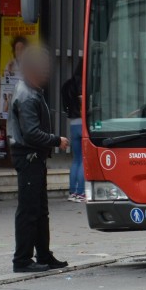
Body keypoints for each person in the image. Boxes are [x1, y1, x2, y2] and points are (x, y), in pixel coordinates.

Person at [8, 45, 69, 272]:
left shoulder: (32, 91)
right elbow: (31, 132)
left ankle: (43, 254)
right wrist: (56, 140)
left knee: (40, 210)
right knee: (29, 210)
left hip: (35, 156)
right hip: (28, 156)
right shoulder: (26, 95)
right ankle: (22, 259)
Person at [61, 60, 84, 202]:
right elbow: (82, 100)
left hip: (73, 124)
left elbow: (66, 107)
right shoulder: (83, 82)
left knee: (76, 159)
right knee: (84, 160)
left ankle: (72, 192)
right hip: (83, 123)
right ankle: (81, 193)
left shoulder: (67, 85)